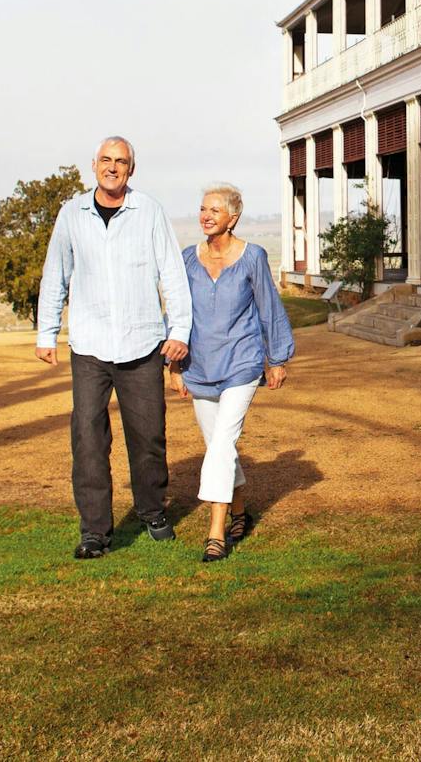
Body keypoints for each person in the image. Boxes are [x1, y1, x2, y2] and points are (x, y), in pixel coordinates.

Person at [35, 136, 191, 559]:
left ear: (131, 169)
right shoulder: (72, 214)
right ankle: (95, 532)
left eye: (121, 161)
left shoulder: (149, 212)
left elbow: (172, 275)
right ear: (93, 165)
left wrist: (179, 331)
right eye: (106, 160)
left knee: (149, 436)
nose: (113, 167)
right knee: (87, 438)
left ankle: (152, 510)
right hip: (89, 345)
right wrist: (46, 332)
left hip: (142, 343)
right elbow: (56, 275)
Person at [172, 182, 295, 563]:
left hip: (241, 363)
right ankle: (241, 510)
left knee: (223, 442)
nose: (206, 216)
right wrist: (173, 364)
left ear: (233, 218)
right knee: (218, 447)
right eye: (203, 208)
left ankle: (215, 534)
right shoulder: (187, 259)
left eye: (215, 210)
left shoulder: (253, 257)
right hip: (199, 366)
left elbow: (269, 308)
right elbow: (177, 314)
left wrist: (277, 358)